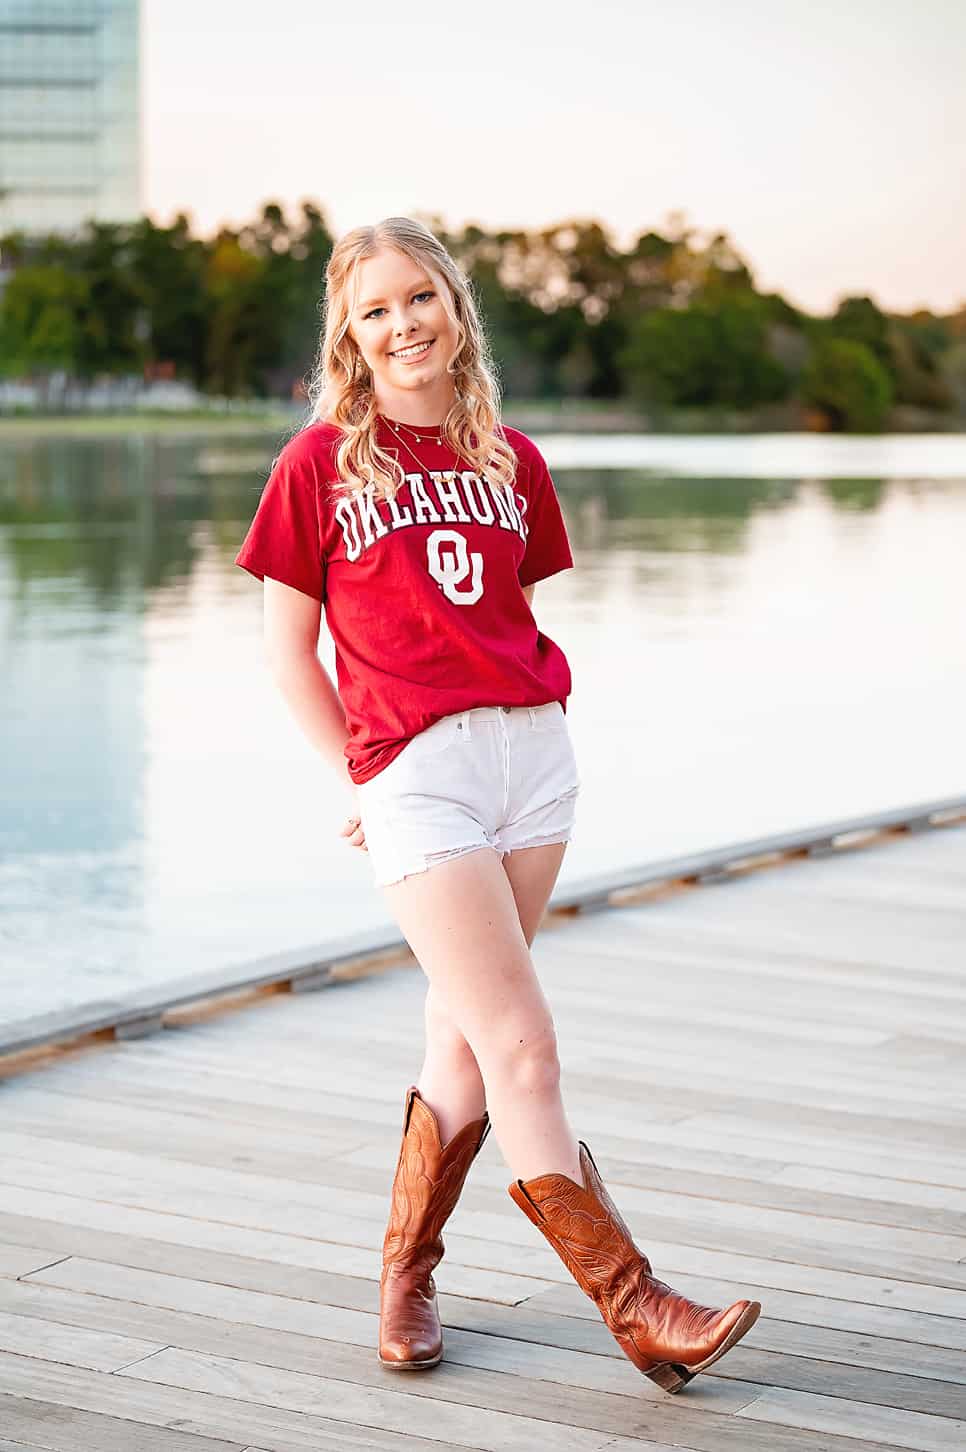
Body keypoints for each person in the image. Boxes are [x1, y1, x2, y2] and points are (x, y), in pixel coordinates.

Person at [234, 216, 760, 1394]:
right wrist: (364, 780)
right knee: (522, 1041)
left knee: (461, 1035)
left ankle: (407, 1273)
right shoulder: (318, 463)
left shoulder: (510, 459)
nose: (403, 323)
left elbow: (501, 620)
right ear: (348, 333)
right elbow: (288, 657)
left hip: (532, 767)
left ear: (456, 308)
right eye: (375, 309)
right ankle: (640, 1309)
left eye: (421, 297)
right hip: (415, 777)